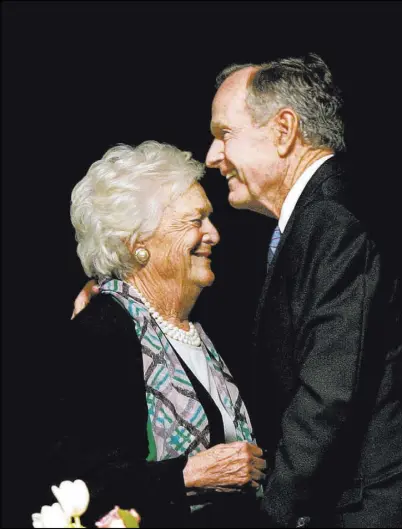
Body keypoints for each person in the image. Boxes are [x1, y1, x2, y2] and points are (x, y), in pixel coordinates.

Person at [74, 54, 402, 527]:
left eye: (225, 134)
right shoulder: (310, 224)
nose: (214, 155)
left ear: (283, 130)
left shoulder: (332, 221)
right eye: (194, 220)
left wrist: (270, 515)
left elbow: (329, 395)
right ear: (140, 243)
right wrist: (113, 299)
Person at [49, 140, 267, 529]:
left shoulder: (207, 324)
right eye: (195, 220)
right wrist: (187, 474)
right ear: (139, 244)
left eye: (210, 219)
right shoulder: (102, 333)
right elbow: (83, 485)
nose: (213, 234)